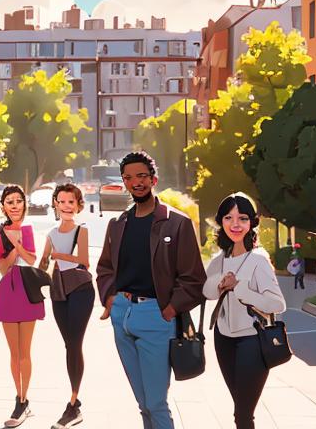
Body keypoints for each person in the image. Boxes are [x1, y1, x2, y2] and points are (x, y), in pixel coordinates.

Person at [95, 152, 206, 429]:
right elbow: (105, 268)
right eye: (129, 178)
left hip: (157, 316)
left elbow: (193, 278)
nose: (136, 182)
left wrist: (169, 310)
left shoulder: (177, 223)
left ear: (153, 179)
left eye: (141, 176)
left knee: (156, 403)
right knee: (143, 403)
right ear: (124, 183)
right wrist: (110, 299)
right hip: (123, 316)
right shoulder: (118, 224)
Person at [203, 193, 287, 429]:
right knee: (239, 407)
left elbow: (277, 304)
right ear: (221, 222)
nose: (235, 224)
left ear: (252, 222)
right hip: (223, 339)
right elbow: (207, 292)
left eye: (242, 218)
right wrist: (220, 282)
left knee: (243, 414)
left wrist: (240, 289)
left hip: (252, 340)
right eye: (228, 218)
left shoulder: (258, 259)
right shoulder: (218, 260)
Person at [39, 183, 94, 429]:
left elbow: (84, 261)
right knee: (68, 345)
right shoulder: (51, 233)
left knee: (75, 343)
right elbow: (42, 263)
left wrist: (59, 257)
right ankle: (74, 403)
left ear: (78, 205)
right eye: (61, 202)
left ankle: (73, 403)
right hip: (58, 290)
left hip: (81, 289)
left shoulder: (81, 230)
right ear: (55, 204)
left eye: (71, 202)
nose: (66, 206)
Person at [0, 184, 44, 426]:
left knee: (26, 351)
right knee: (14, 352)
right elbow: (3, 269)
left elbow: (33, 259)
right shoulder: (1, 232)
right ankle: (19, 398)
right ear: (3, 206)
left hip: (27, 289)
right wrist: (14, 247)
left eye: (18, 200)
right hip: (8, 292)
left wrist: (19, 244)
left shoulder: (29, 228)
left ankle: (25, 400)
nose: (14, 205)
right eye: (9, 201)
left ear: (24, 204)